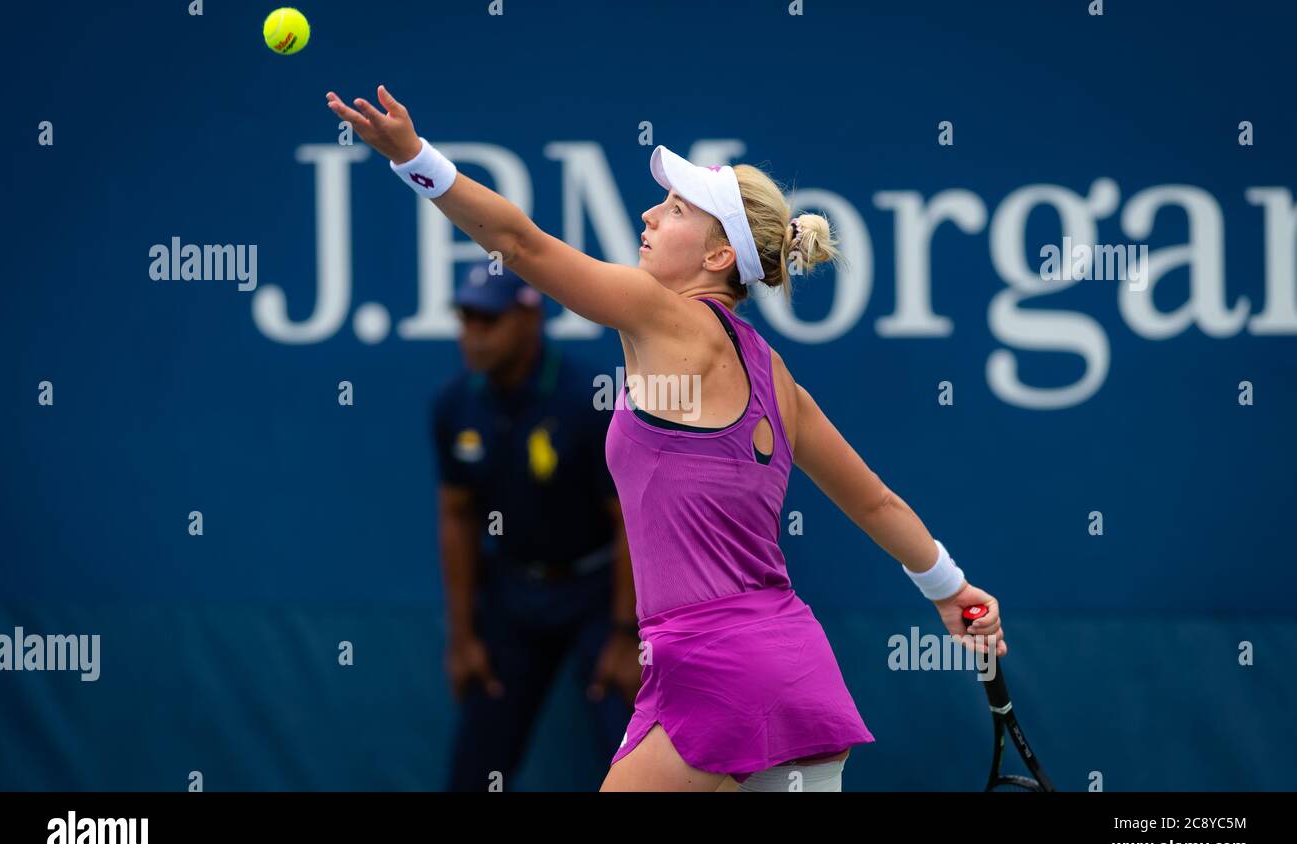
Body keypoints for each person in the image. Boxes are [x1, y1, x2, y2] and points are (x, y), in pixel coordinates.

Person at [327, 84, 1009, 792]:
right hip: (795, 669)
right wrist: (951, 590)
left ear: (718, 258)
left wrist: (414, 156)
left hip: (713, 671)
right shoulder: (778, 379)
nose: (650, 214)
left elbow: (518, 243)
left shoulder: (657, 314)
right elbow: (877, 504)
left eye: (677, 209)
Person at [431, 261, 639, 791]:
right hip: (513, 597)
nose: (473, 335)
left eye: (489, 320)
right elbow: (457, 518)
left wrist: (625, 635)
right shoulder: (455, 406)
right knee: (475, 769)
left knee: (634, 760)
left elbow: (630, 526)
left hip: (598, 596)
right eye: (466, 319)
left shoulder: (588, 400)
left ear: (530, 320)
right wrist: (462, 636)